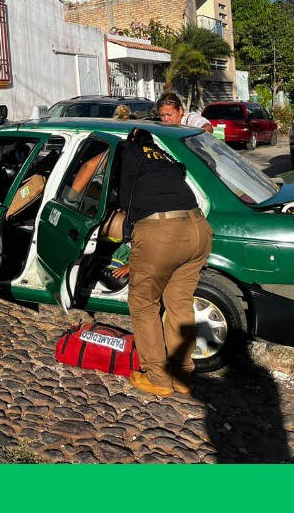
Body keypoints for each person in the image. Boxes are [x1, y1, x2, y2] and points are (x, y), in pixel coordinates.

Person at [117, 126, 213, 398]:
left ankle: (157, 378)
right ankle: (182, 374)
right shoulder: (166, 157)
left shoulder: (130, 155)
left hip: (162, 232)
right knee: (180, 302)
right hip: (198, 229)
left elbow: (125, 200)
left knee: (143, 303)